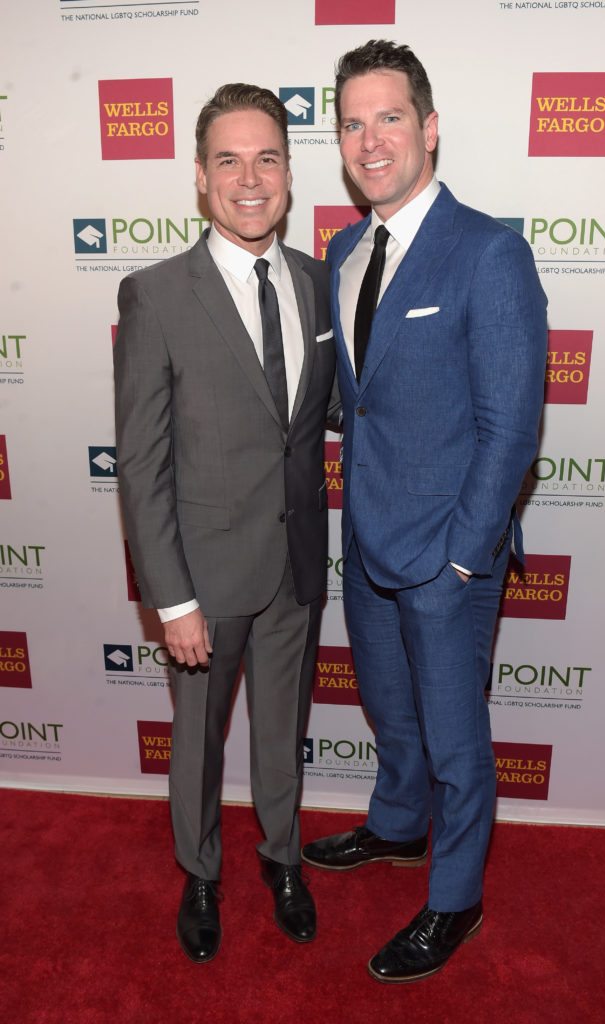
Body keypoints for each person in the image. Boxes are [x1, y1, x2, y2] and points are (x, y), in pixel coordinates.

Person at [302, 41, 548, 983]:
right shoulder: (342, 249)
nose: (371, 140)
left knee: (454, 738)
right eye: (353, 123)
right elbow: (357, 401)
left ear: (429, 127)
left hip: (448, 552)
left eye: (389, 117)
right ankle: (398, 829)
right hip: (363, 539)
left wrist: (462, 557)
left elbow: (510, 426)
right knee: (391, 712)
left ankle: (454, 898)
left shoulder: (487, 251)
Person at [114, 83, 338, 963]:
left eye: (268, 158)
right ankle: (199, 871)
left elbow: (320, 416)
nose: (251, 180)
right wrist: (170, 600)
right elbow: (141, 461)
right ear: (201, 179)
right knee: (199, 743)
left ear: (288, 171)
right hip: (204, 576)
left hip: (297, 562)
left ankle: (282, 859)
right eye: (229, 161)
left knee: (283, 729)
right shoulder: (157, 295)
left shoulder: (318, 282)